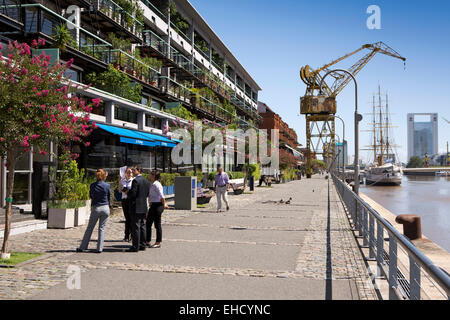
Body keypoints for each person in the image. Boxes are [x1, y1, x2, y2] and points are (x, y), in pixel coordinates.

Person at [77, 169, 111, 253]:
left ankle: (83, 247)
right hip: (105, 207)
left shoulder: (92, 185)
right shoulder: (107, 185)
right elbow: (109, 196)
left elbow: (91, 195)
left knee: (90, 228)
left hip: (96, 207)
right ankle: (99, 248)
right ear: (103, 176)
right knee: (102, 229)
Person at [126, 166, 150, 252]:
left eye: (134, 170)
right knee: (143, 226)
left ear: (139, 170)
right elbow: (147, 193)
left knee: (135, 226)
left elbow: (133, 194)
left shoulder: (135, 180)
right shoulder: (146, 181)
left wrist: (127, 192)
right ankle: (142, 245)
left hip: (136, 206)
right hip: (143, 206)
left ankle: (135, 246)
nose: (132, 171)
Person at [146, 170, 168, 248]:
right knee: (148, 223)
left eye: (150, 174)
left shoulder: (157, 184)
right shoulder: (152, 184)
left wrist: (163, 204)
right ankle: (147, 240)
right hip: (153, 205)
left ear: (154, 176)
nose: (149, 175)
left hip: (158, 205)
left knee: (157, 224)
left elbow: (162, 196)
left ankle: (158, 242)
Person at [119, 167, 134, 242]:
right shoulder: (123, 180)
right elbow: (119, 190)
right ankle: (126, 235)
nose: (129, 174)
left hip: (130, 200)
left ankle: (132, 235)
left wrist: (126, 190)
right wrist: (119, 182)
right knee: (127, 218)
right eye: (127, 172)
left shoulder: (134, 181)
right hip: (124, 200)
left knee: (131, 218)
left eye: (130, 172)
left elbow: (131, 191)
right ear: (125, 173)